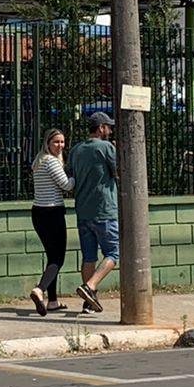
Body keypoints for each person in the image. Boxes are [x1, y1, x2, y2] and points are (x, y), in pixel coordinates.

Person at [70, 111, 118, 314]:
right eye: (108, 127)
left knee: (88, 256)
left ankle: (90, 301)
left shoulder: (75, 149)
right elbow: (119, 171)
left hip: (83, 210)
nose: (110, 130)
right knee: (114, 253)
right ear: (101, 128)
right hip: (104, 209)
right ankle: (90, 286)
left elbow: (70, 176)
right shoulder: (106, 147)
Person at [28, 127, 74, 316]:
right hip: (52, 213)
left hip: (38, 212)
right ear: (47, 143)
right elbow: (67, 185)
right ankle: (40, 290)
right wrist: (76, 175)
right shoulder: (51, 162)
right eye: (56, 142)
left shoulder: (38, 161)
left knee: (51, 257)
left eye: (62, 142)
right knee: (58, 258)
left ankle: (53, 301)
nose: (60, 145)